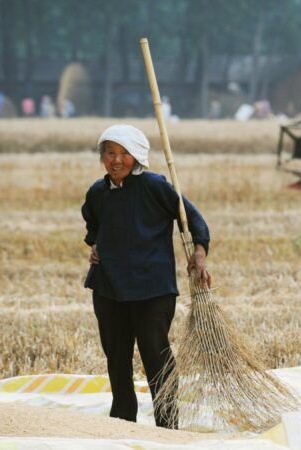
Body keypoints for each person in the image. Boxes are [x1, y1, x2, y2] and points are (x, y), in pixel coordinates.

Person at [81, 124, 211, 429]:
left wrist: (200, 253)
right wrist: (96, 245)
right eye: (110, 153)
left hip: (152, 288)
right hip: (108, 287)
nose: (116, 160)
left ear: (137, 156)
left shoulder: (156, 186)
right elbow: (93, 226)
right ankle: (123, 421)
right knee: (116, 355)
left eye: (124, 153)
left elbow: (191, 219)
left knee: (156, 355)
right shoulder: (97, 193)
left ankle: (167, 425)